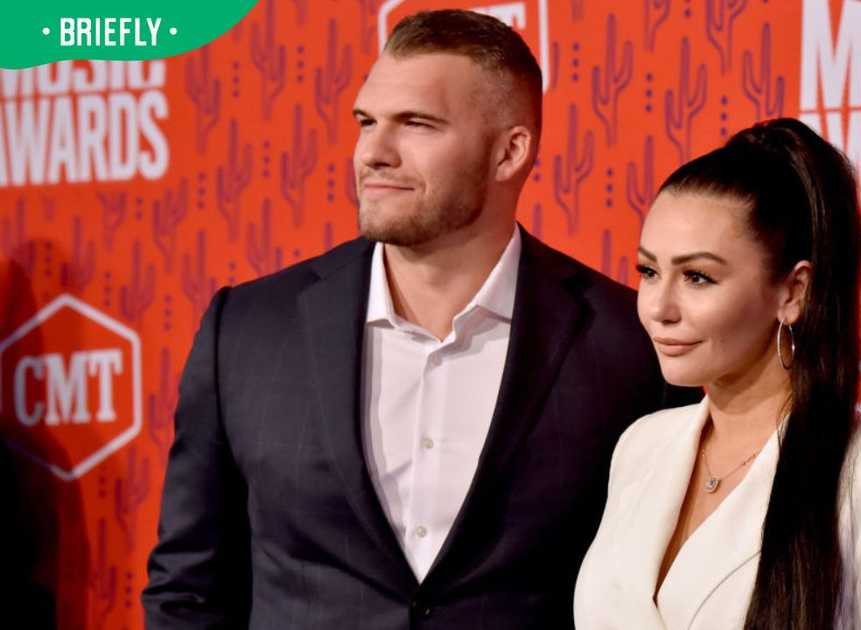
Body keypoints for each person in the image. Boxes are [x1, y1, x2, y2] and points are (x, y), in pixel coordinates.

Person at [142, 10, 696, 629]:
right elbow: (188, 589)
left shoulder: (627, 343)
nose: (374, 153)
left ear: (509, 152)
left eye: (417, 125)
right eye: (366, 122)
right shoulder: (247, 330)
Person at [573, 118, 861, 630]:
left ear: (793, 292)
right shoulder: (641, 448)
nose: (658, 308)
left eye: (698, 277)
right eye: (649, 272)